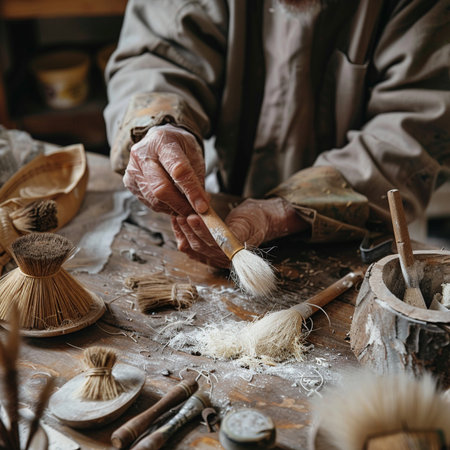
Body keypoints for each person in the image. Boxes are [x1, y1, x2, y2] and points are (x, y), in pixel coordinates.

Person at [104, 0, 450, 268]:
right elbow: (156, 56)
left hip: (363, 232)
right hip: (222, 195)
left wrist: (285, 211)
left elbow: (417, 127)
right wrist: (157, 126)